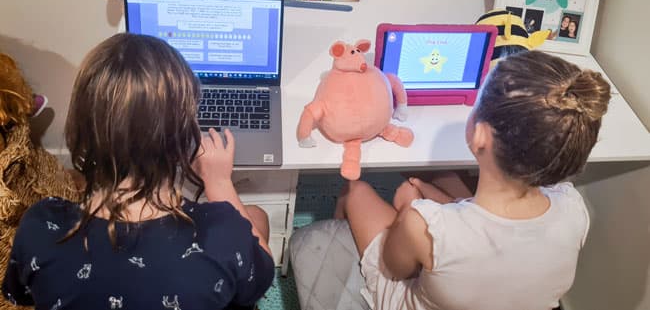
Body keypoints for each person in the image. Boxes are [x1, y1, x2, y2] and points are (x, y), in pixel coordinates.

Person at [2, 33, 274, 309]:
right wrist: (219, 183)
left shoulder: (39, 227)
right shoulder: (222, 232)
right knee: (256, 218)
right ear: (183, 136)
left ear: (81, 127)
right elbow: (262, 277)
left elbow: (21, 292)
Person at [332, 50, 611, 310]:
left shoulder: (421, 223)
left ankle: (332, 239)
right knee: (446, 178)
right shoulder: (574, 208)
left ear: (480, 136)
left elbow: (395, 268)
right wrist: (441, 206)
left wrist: (409, 209)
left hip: (413, 291)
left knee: (356, 191)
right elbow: (492, 237)